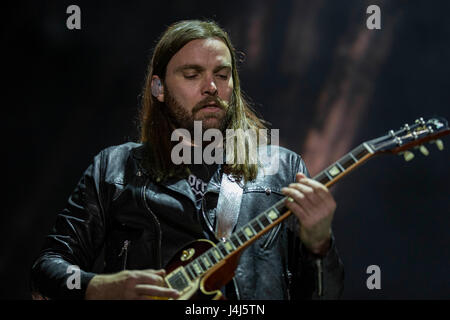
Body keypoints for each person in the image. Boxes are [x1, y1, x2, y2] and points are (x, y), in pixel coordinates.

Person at [30, 19, 344, 300]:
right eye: (192, 74)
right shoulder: (115, 167)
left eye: (222, 75)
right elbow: (47, 268)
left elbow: (325, 294)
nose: (211, 88)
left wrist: (320, 246)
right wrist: (99, 287)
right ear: (159, 88)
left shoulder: (282, 169)